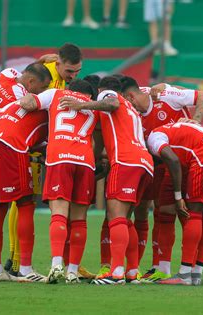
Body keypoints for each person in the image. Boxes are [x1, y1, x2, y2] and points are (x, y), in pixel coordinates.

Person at [59, 76, 154, 285]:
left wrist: (81, 103)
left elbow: (110, 102)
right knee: (125, 219)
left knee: (115, 217)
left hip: (125, 161)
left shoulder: (108, 96)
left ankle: (116, 272)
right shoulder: (130, 108)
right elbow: (101, 143)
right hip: (144, 163)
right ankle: (131, 271)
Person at [119, 76, 203, 282]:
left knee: (191, 214)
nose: (128, 108)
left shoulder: (163, 94)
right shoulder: (133, 111)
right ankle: (160, 266)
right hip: (159, 165)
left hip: (188, 164)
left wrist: (195, 122)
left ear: (130, 97)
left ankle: (199, 268)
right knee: (162, 214)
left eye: (128, 103)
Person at [23, 79, 99, 284]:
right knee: (79, 219)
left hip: (60, 158)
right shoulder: (94, 107)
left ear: (70, 90)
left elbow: (29, 104)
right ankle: (73, 272)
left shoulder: (55, 94)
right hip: (85, 161)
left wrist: (25, 96)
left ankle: (57, 264)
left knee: (59, 215)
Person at [147, 121, 203, 285]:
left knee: (194, 214)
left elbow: (172, 160)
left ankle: (184, 275)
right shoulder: (176, 129)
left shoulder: (154, 137)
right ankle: (197, 274)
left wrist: (178, 196)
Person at [0, 93, 50, 282]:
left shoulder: (12, 105)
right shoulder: (51, 110)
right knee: (25, 204)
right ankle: (25, 270)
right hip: (10, 144)